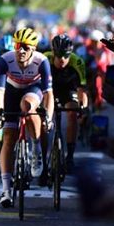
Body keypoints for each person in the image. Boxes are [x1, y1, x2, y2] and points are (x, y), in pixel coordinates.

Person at [0, 27, 50, 208]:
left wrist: (48, 116)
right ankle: (6, 190)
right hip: (11, 91)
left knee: (27, 105)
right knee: (8, 138)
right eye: (18, 45)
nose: (21, 50)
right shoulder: (5, 60)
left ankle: (36, 149)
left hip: (32, 91)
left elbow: (49, 93)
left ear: (33, 49)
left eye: (26, 47)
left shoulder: (42, 61)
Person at [43, 34, 87, 178]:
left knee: (72, 113)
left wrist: (83, 109)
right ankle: (42, 161)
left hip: (68, 90)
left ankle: (70, 157)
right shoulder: (45, 59)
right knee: (42, 119)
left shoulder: (78, 62)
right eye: (59, 55)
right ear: (53, 53)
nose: (62, 59)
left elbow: (82, 90)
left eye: (66, 55)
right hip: (49, 90)